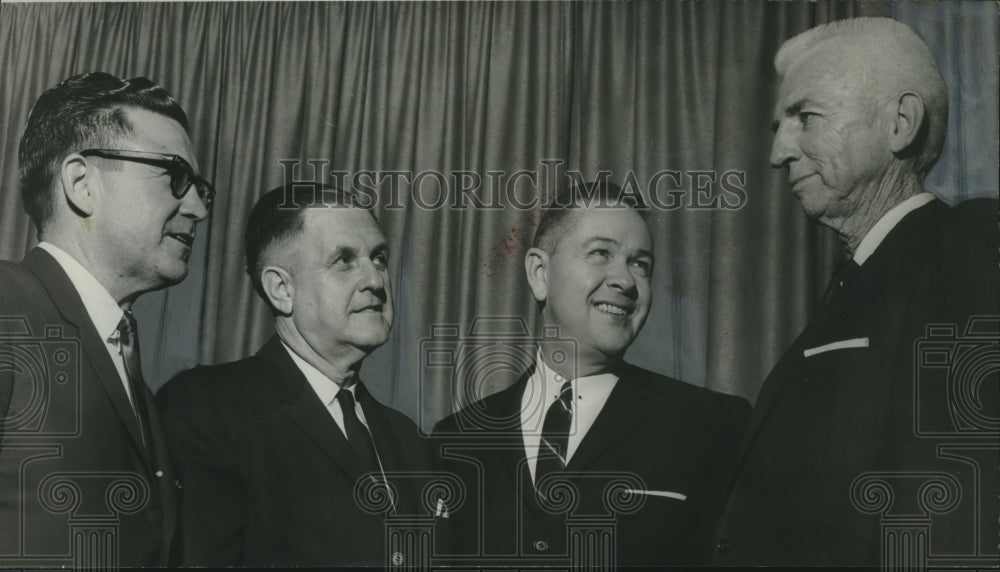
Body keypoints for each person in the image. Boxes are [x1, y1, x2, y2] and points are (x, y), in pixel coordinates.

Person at [716, 17, 998, 566]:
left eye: (806, 117)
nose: (778, 153)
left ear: (900, 123)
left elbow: (959, 503)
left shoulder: (967, 243)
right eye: (780, 125)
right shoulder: (856, 284)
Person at [434, 183, 751, 567]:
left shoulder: (715, 425)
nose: (626, 281)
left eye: (641, 264)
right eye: (601, 253)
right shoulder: (454, 439)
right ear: (539, 273)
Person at [157, 184, 442, 567]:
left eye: (379, 258)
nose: (375, 281)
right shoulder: (206, 408)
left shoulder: (406, 437)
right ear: (281, 289)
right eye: (344, 260)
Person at [0, 72, 212, 567]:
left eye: (202, 188)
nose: (198, 207)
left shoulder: (125, 361)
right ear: (81, 184)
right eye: (175, 175)